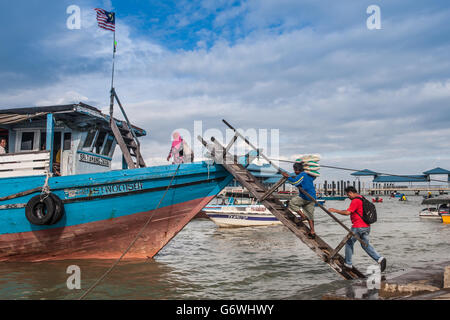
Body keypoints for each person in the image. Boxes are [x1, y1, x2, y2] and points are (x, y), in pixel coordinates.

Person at [329, 186, 386, 272]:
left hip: (358, 226)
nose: (348, 197)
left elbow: (347, 212)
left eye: (348, 195)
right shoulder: (362, 198)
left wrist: (335, 210)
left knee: (349, 243)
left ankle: (348, 263)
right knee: (365, 245)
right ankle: (380, 259)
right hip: (366, 226)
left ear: (351, 192)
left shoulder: (355, 200)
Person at [281, 162, 317, 239]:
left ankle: (303, 216)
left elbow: (295, 182)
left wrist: (287, 177)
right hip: (312, 197)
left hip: (305, 197)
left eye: (295, 170)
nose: (294, 172)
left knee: (292, 203)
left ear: (297, 170)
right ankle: (312, 231)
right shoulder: (308, 175)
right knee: (310, 215)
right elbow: (313, 177)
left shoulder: (302, 175)